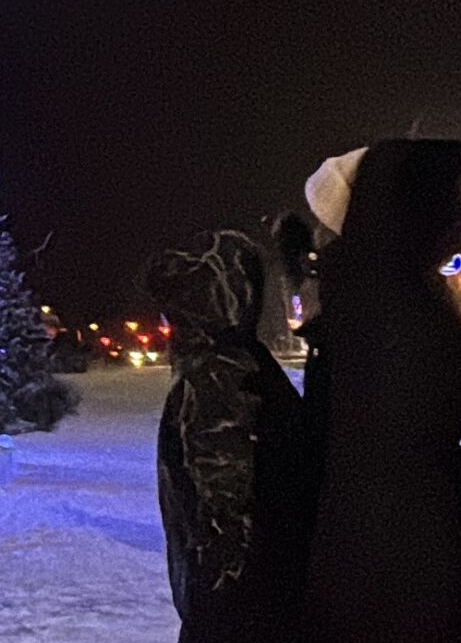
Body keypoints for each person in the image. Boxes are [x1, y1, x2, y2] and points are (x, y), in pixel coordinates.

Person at [297, 141, 461, 643]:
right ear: (414, 206)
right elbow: (423, 427)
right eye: (451, 201)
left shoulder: (361, 287)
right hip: (407, 558)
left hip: (364, 549)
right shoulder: (395, 299)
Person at [142, 230, 312, 643]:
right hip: (268, 607)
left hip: (239, 618)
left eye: (176, 308)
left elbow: (227, 530)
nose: (168, 323)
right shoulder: (248, 366)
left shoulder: (216, 382)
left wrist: (212, 618)